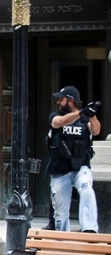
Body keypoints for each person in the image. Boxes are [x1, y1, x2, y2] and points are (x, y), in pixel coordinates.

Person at [46, 85, 100, 233]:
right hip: (59, 170)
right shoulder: (55, 115)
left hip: (80, 167)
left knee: (87, 189)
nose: (58, 102)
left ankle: (89, 229)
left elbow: (96, 130)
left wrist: (92, 114)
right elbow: (59, 122)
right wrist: (82, 112)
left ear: (70, 101)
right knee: (61, 214)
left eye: (61, 99)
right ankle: (61, 239)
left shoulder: (85, 119)